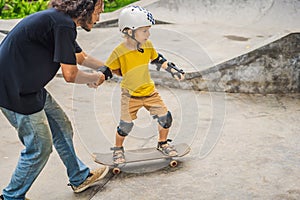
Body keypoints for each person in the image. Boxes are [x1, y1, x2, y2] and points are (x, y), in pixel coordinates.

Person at [0, 0, 113, 199]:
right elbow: (70, 74)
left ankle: (79, 176)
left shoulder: (60, 21)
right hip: (14, 91)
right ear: (86, 8)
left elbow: (79, 56)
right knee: (39, 148)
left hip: (28, 86)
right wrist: (94, 79)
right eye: (98, 12)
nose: (99, 18)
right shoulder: (63, 24)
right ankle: (11, 196)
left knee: (62, 126)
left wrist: (105, 69)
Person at [105, 5, 185, 164]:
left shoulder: (147, 46)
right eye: (144, 31)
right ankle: (118, 149)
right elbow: (111, 68)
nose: (148, 34)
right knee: (125, 126)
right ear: (128, 31)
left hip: (150, 92)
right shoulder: (118, 51)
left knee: (165, 118)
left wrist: (173, 70)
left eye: (148, 30)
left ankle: (162, 143)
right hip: (130, 95)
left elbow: (158, 60)